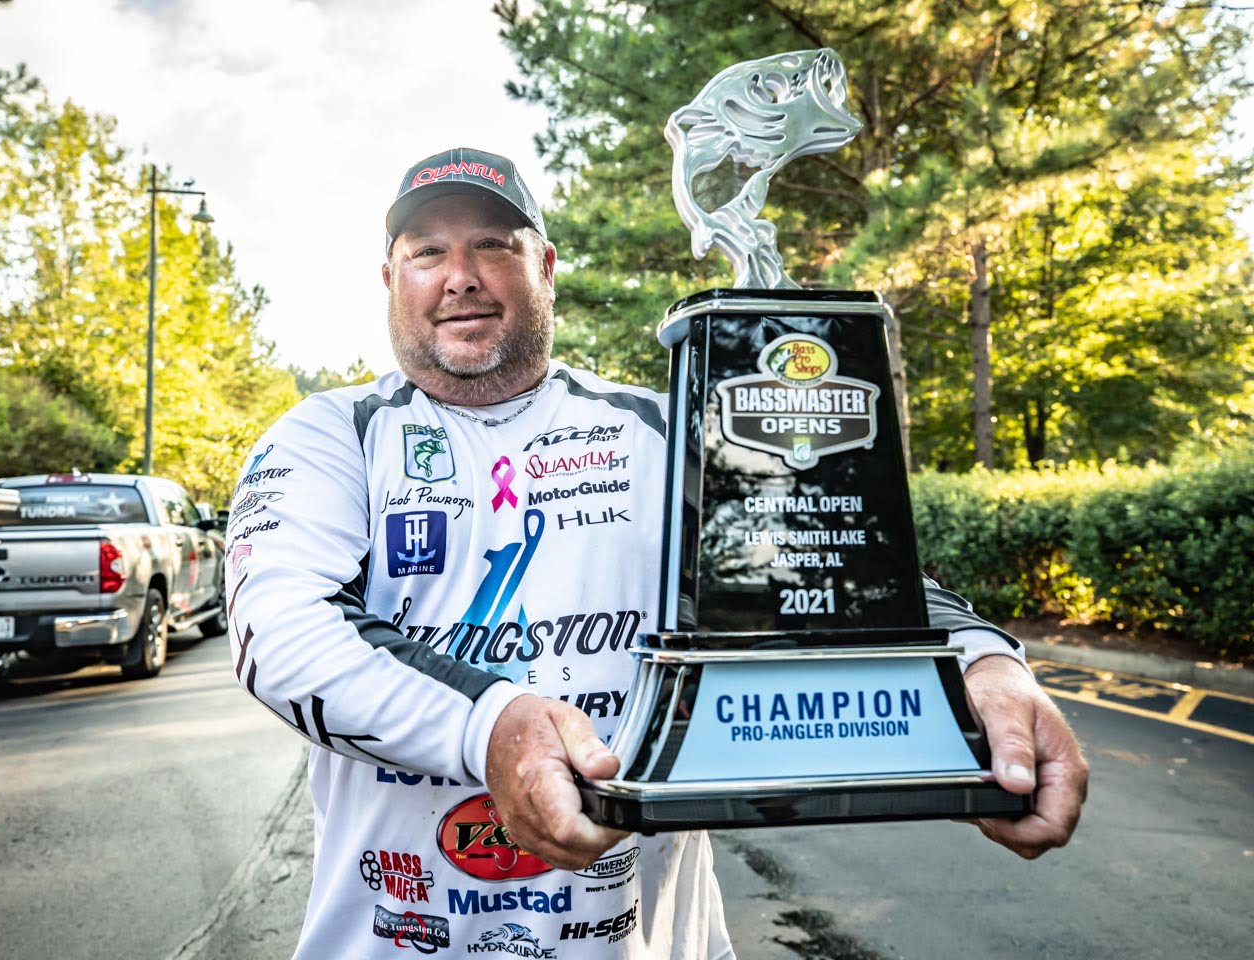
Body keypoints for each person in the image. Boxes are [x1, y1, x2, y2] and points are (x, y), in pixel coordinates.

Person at [226, 146, 1088, 959]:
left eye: (493, 244)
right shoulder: (329, 435)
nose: (462, 277)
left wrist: (984, 664)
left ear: (546, 266)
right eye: (427, 252)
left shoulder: (661, 430)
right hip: (391, 937)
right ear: (389, 279)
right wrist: (490, 725)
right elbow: (282, 632)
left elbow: (833, 561)